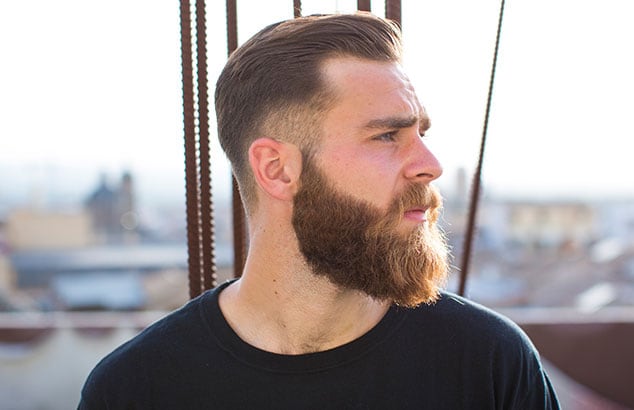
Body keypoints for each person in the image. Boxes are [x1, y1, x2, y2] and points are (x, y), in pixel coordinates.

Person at [79, 12, 559, 409]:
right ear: (278, 169)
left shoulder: (488, 364)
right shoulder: (135, 391)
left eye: (422, 135)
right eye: (387, 136)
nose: (430, 167)